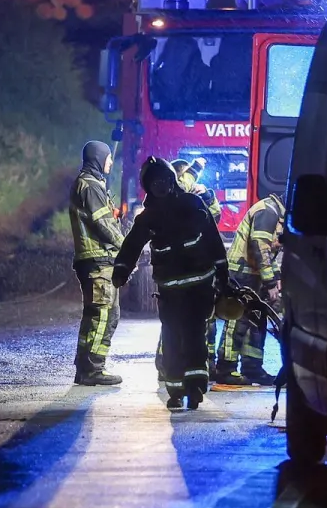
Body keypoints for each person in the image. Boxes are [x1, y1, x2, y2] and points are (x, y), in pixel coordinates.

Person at [114, 157, 229, 410]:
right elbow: (132, 243)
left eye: (164, 180)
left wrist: (223, 274)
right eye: (155, 183)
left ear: (171, 180)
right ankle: (176, 390)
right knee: (173, 335)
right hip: (172, 289)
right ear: (149, 186)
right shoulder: (149, 216)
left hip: (197, 285)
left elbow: (213, 240)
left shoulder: (193, 203)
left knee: (194, 333)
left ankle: (195, 386)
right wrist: (121, 269)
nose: (161, 186)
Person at [154, 158, 222, 380]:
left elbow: (215, 218)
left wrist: (208, 197)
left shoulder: (196, 200)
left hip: (199, 268)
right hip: (178, 268)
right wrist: (195, 168)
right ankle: (168, 366)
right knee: (173, 324)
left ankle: (202, 365)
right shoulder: (170, 197)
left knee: (201, 322)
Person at [215, 192, 285, 386]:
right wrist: (270, 282)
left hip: (253, 273)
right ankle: (225, 368)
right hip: (242, 273)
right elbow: (259, 247)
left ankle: (252, 368)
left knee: (256, 322)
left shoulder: (274, 211)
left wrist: (275, 277)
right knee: (237, 321)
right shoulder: (267, 212)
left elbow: (268, 252)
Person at [69, 140, 125, 386]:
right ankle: (91, 370)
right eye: (108, 157)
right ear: (98, 158)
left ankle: (88, 367)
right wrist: (126, 246)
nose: (111, 162)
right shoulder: (90, 186)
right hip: (97, 260)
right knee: (102, 315)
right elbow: (102, 224)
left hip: (98, 259)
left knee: (105, 314)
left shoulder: (92, 184)